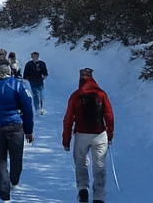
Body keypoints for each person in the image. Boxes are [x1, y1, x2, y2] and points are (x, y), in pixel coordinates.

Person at [0, 50, 35, 202]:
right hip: (15, 126)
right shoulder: (16, 84)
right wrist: (29, 130)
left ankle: (4, 193)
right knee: (16, 157)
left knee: (0, 160)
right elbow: (27, 107)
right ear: (8, 69)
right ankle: (14, 180)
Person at [62, 68, 115, 203]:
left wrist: (66, 140)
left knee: (81, 164)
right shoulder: (101, 94)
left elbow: (68, 119)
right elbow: (109, 116)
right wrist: (109, 135)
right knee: (99, 166)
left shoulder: (76, 95)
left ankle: (83, 189)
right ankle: (99, 196)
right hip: (99, 134)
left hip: (81, 134)